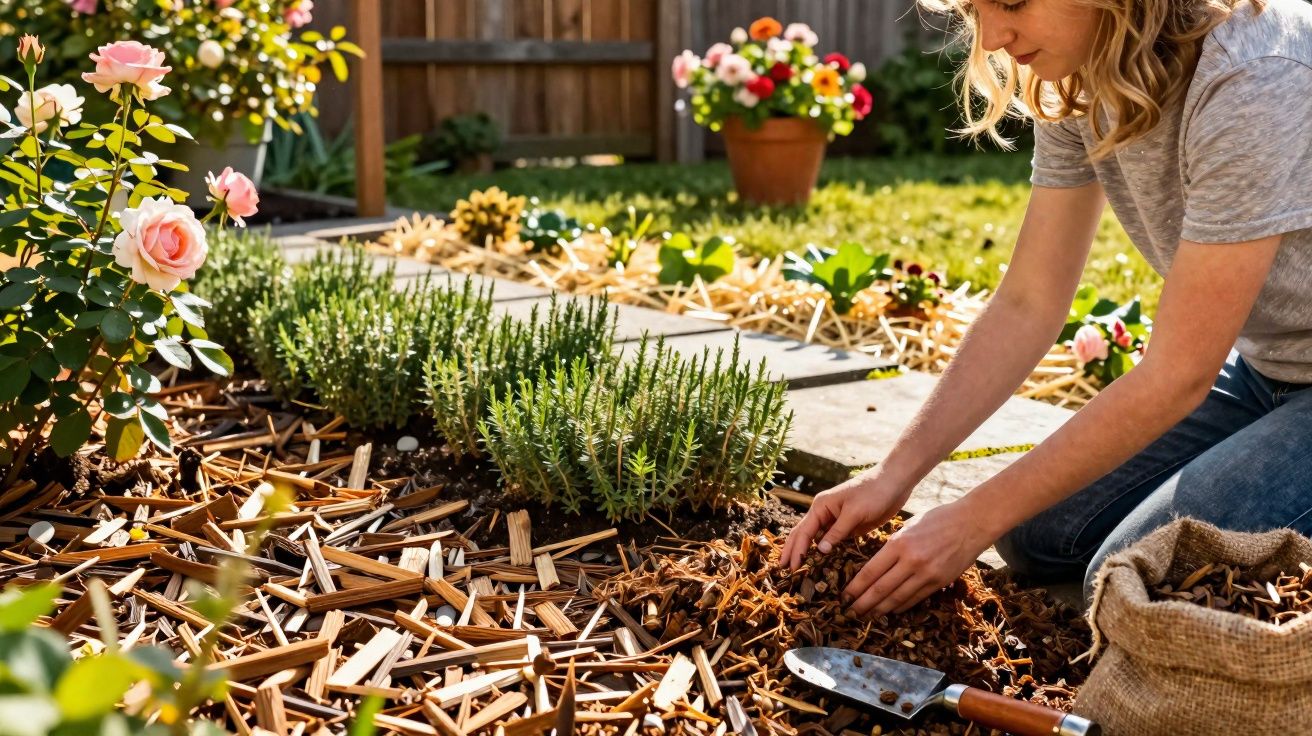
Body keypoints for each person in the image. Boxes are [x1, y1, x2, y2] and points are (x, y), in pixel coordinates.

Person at [781, 0, 1312, 616]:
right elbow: (1029, 301)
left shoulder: (1254, 75)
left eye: (1012, 2)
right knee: (1037, 534)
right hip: (1265, 372)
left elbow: (1178, 375)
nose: (992, 37)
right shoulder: (1082, 72)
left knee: (1130, 583)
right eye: (974, 8)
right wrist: (893, 475)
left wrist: (968, 521)